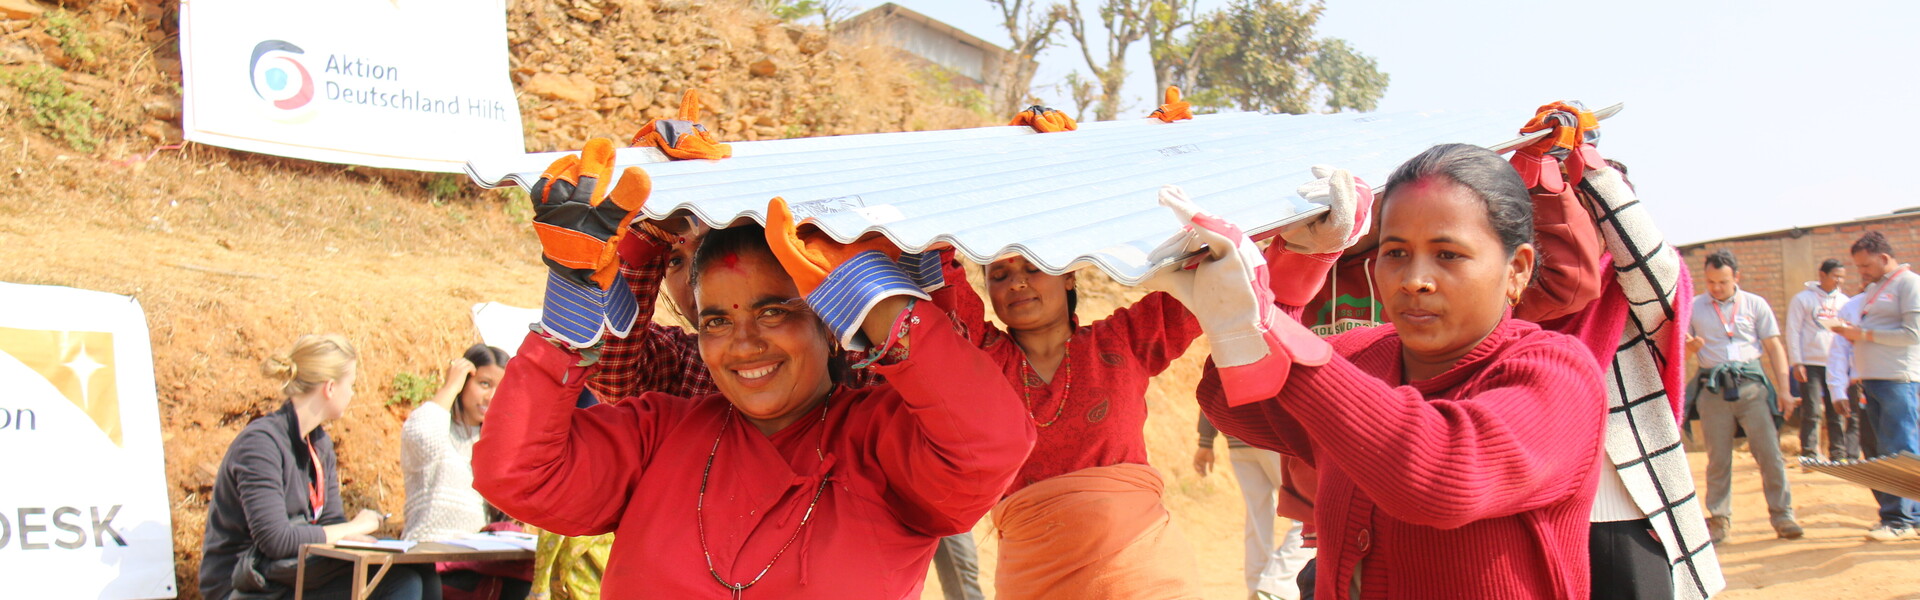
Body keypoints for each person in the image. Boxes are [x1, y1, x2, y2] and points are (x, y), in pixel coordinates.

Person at [472, 139, 1035, 598]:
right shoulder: (658, 434)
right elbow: (518, 476)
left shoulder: (880, 442)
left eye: (773, 311)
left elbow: (988, 447)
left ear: (829, 318)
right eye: (717, 321)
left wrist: (872, 289)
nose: (743, 344)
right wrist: (571, 308)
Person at [1172, 143, 1610, 598]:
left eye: (1448, 255)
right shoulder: (1363, 355)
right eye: (1396, 252)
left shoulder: (1558, 373)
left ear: (1517, 269)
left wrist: (1261, 321)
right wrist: (1295, 270)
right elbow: (1233, 403)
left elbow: (1440, 477)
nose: (1414, 279)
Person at [587, 215, 987, 600]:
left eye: (771, 312)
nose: (700, 271)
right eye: (676, 259)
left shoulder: (866, 366)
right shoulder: (677, 362)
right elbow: (610, 369)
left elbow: (950, 400)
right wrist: (644, 241)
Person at [200, 334, 438, 600]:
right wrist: (352, 528)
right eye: (352, 384)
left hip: (289, 572)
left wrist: (351, 539)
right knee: (398, 583)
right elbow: (276, 540)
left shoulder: (319, 442)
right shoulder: (260, 444)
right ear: (330, 387)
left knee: (421, 572)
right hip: (244, 583)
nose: (353, 393)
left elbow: (330, 521)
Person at [1685, 249, 1801, 542]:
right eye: (1710, 282)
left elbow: (1774, 347)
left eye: (1722, 282)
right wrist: (1691, 348)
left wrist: (1785, 391)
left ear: (1736, 277)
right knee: (1718, 458)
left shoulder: (1755, 304)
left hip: (1751, 388)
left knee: (1769, 453)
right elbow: (1680, 348)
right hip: (1713, 390)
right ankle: (1720, 519)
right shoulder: (1694, 307)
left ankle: (1783, 514)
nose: (1716, 288)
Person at [402, 343, 530, 600]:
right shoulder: (438, 429)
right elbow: (420, 437)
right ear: (464, 383)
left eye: (499, 388)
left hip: (478, 563)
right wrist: (451, 385)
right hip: (429, 564)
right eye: (484, 384)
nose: (491, 397)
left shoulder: (495, 443)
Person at [1830, 230, 1920, 540]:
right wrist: (1855, 331)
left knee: (1900, 450)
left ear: (1884, 258)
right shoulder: (1877, 288)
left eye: (1865, 266)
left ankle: (1897, 521)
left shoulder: (1909, 284)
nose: (1861, 272)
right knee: (1888, 450)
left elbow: (1913, 334)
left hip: (1898, 378)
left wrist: (1864, 336)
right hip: (1875, 380)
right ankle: (1913, 517)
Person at [1196, 414, 1312, 600]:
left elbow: (1210, 385)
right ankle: (1274, 587)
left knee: (1257, 517)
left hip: (1236, 437)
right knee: (1305, 518)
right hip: (1271, 435)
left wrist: (1205, 441)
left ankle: (1256, 587)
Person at [1786, 258, 1851, 461]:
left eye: (1842, 277)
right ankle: (1809, 453)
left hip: (1835, 364)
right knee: (1812, 409)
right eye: (1835, 276)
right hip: (1810, 364)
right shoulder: (1803, 299)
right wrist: (1797, 362)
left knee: (1836, 410)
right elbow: (1793, 331)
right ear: (1822, 275)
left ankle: (1838, 453)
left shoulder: (1845, 302)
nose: (1839, 281)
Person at [1825, 289, 1869, 463]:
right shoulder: (1851, 307)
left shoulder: (1906, 299)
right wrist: (1838, 390)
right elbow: (1839, 352)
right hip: (1859, 381)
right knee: (1857, 421)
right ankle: (1852, 456)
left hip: (1901, 381)